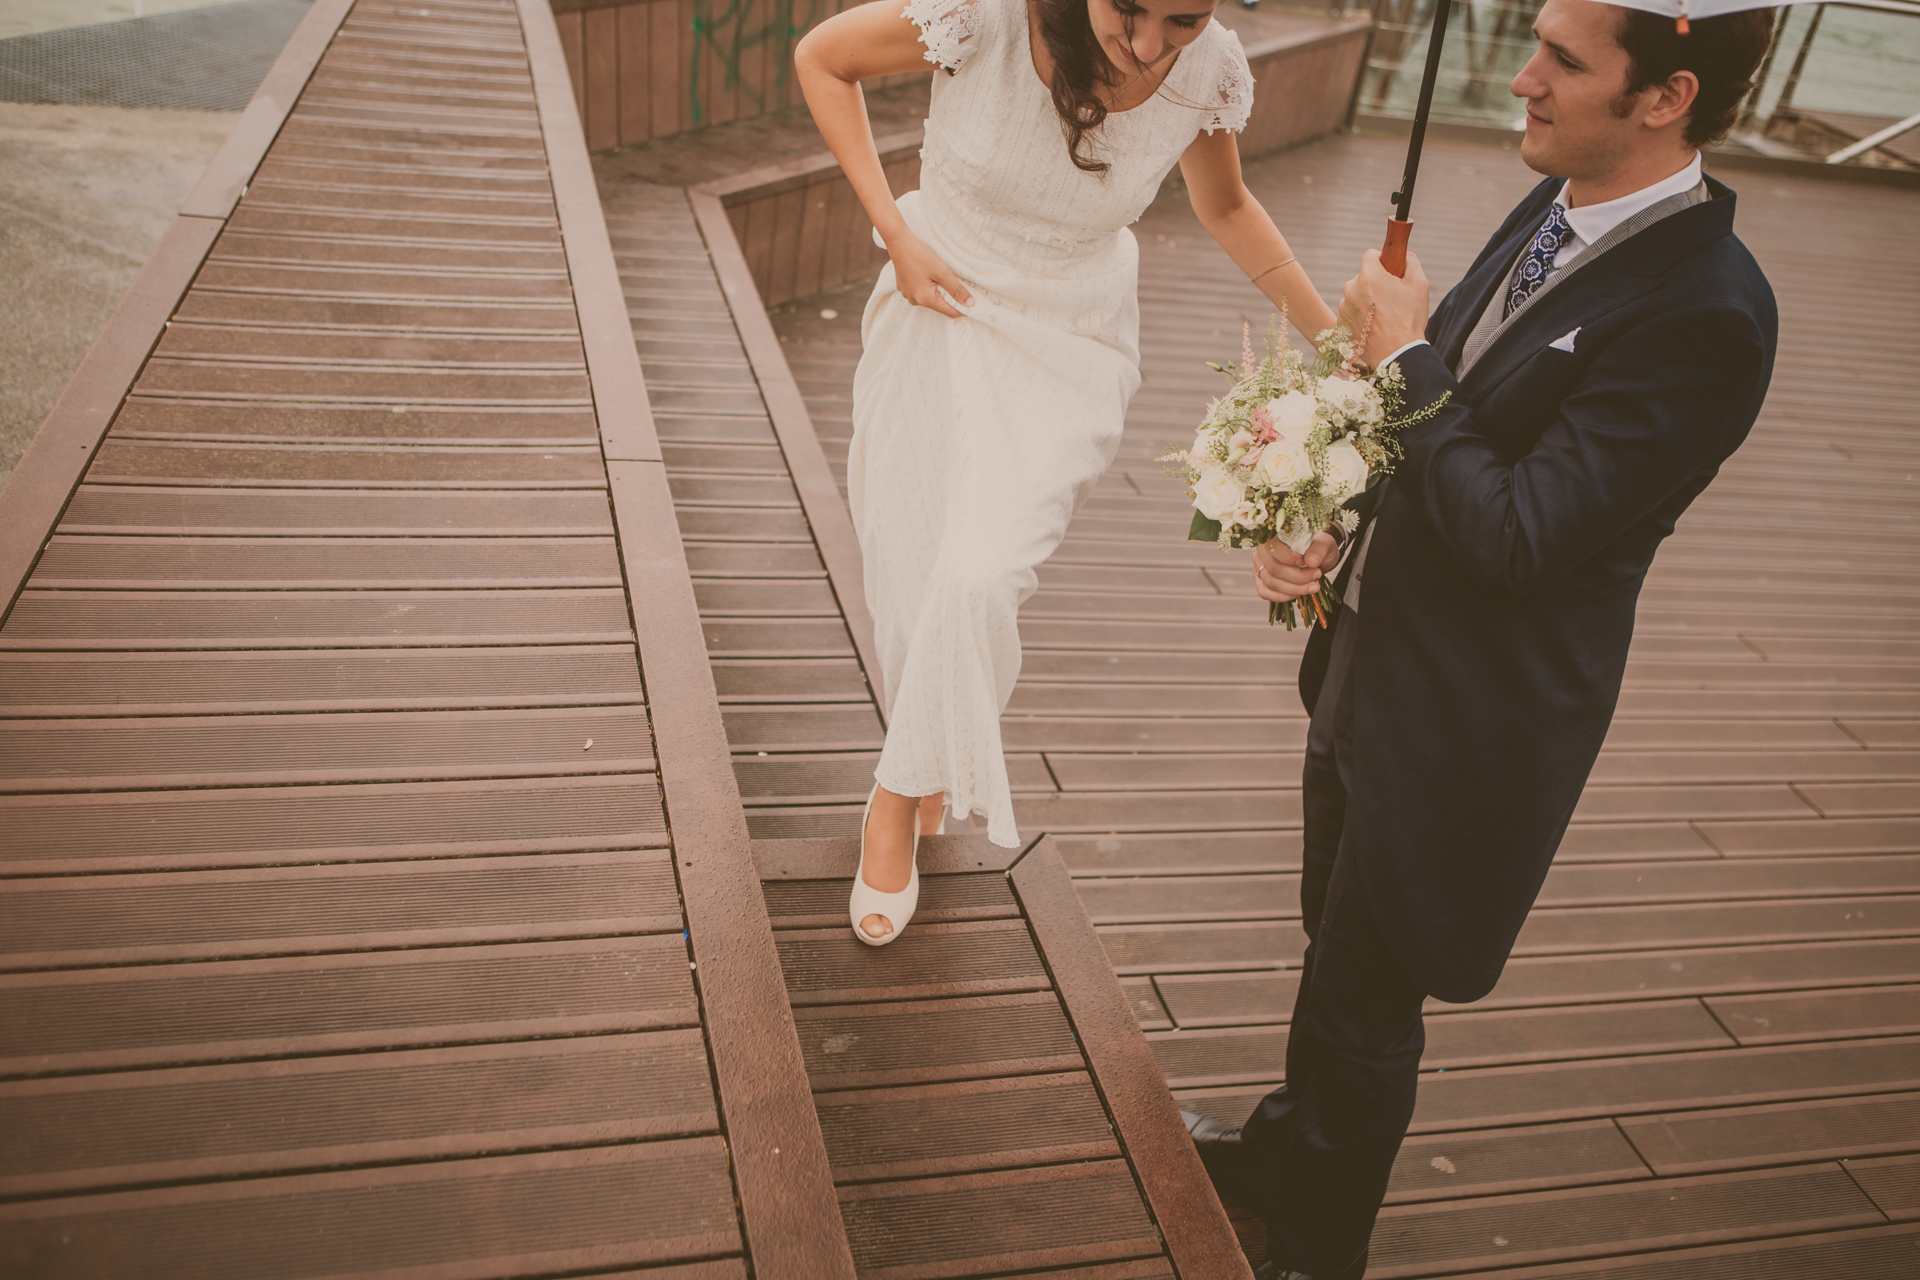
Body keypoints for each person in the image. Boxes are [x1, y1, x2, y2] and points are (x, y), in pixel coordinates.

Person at [1181, 3, 1780, 1276]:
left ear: (1666, 97)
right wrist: (1328, 527)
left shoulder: (1712, 313)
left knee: (1369, 1001)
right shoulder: (1556, 201)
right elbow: (1449, 431)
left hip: (1466, 729)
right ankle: (1292, 1142)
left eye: (1565, 60)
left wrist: (1404, 356)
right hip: (1368, 667)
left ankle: (1315, 1247)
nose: (1524, 78)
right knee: (1332, 948)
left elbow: (1521, 531)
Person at [796, 0, 1336, 945]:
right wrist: (894, 231)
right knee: (914, 566)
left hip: (1070, 340)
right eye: (1137, 13)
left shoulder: (1210, 71)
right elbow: (820, 59)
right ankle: (925, 760)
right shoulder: (985, 18)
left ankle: (894, 793)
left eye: (1186, 18)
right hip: (941, 299)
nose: (1157, 45)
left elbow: (1227, 205)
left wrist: (1341, 342)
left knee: (982, 574)